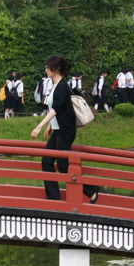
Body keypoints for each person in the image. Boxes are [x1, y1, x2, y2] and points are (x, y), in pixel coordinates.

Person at [30, 54, 99, 204]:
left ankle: (90, 190)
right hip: (58, 130)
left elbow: (55, 109)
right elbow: (56, 109)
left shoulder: (62, 86)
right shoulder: (55, 85)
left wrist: (39, 127)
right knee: (47, 161)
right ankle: (53, 196)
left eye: (48, 67)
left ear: (57, 69)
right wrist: (50, 126)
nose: (46, 69)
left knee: (63, 166)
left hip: (65, 131)